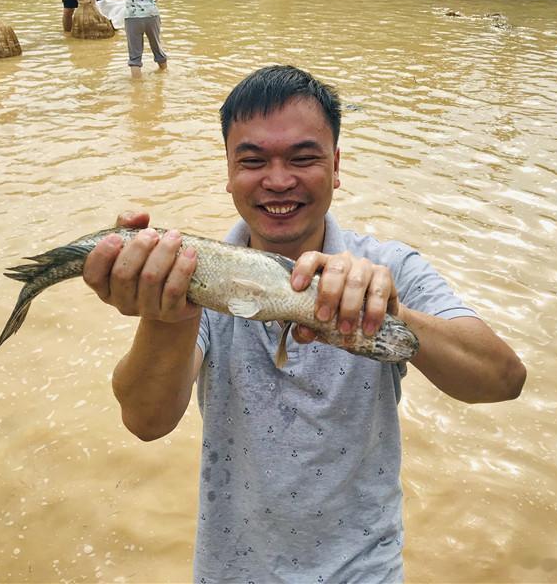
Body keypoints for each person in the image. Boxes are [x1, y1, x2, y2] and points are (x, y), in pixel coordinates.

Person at [83, 65, 527, 582]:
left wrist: (388, 316)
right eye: (252, 161)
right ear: (228, 172)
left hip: (364, 572)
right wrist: (168, 318)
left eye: (303, 158)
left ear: (335, 166)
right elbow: (146, 421)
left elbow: (504, 380)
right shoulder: (197, 276)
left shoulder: (390, 269)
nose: (277, 180)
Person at [108, 0, 166, 78]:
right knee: (157, 48)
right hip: (152, 15)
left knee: (135, 57)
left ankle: (137, 88)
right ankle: (164, 77)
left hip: (132, 17)